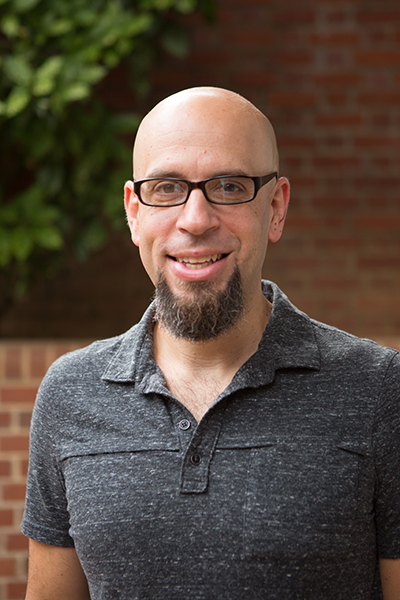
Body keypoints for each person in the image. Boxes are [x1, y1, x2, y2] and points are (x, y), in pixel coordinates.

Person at [22, 87, 400, 600]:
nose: (195, 219)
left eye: (228, 186)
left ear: (276, 208)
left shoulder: (378, 390)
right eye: (166, 188)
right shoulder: (70, 393)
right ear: (134, 212)